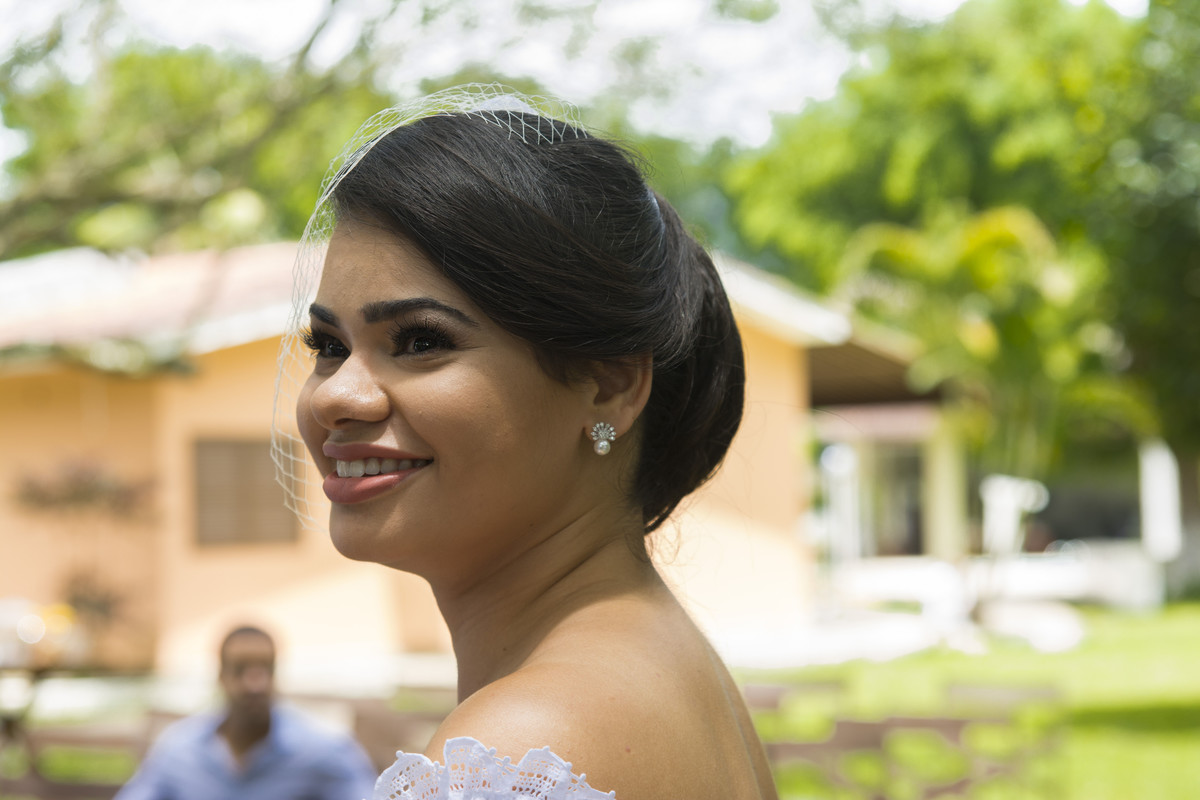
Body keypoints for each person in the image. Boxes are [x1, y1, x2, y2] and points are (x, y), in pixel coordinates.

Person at [273, 85, 779, 800]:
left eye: (420, 341)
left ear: (607, 385)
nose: (334, 396)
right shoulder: (669, 671)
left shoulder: (525, 744)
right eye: (328, 345)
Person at [114, 626, 377, 800]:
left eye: (265, 669)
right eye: (240, 670)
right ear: (220, 677)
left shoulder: (322, 750)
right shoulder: (179, 749)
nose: (255, 684)